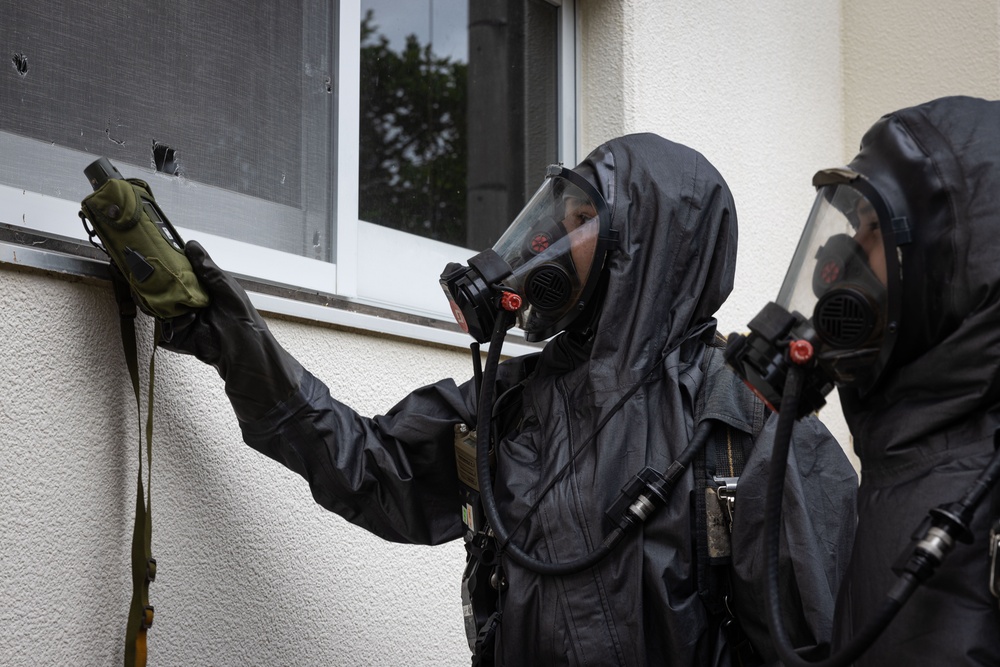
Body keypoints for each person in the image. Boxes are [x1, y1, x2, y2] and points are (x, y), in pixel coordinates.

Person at [161, 133, 858, 666]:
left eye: (585, 220)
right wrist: (235, 342)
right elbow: (372, 468)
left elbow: (820, 639)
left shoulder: (748, 421)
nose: (553, 238)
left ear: (642, 251)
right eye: (563, 213)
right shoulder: (517, 399)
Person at [732, 96, 1000, 666]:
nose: (844, 258)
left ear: (952, 263)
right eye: (853, 226)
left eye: (873, 229)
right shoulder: (900, 456)